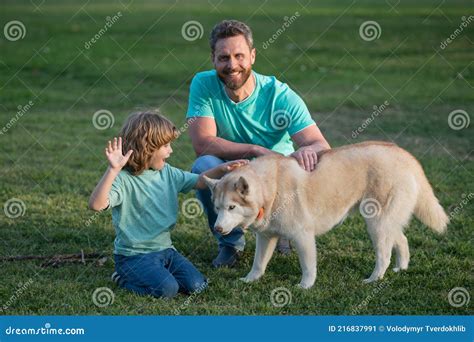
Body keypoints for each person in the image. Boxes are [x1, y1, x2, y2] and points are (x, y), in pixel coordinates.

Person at [187, 20, 330, 268]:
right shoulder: (203, 84)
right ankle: (231, 243)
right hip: (235, 165)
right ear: (213, 59)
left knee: (295, 169)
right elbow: (202, 143)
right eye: (224, 57)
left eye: (239, 56)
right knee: (204, 166)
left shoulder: (280, 95)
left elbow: (321, 145)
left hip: (278, 171)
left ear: (252, 56)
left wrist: (307, 149)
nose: (232, 65)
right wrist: (253, 150)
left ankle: (281, 227)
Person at [89, 111, 247, 298]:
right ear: (147, 148)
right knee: (167, 290)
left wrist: (222, 169)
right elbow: (96, 205)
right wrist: (112, 170)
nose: (170, 150)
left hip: (166, 251)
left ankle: (159, 273)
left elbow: (199, 181)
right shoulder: (123, 179)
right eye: (165, 145)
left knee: (198, 286)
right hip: (133, 257)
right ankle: (122, 278)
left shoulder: (168, 172)